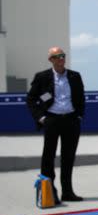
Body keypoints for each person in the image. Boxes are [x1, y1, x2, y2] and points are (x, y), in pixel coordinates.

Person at [25, 46, 86, 202]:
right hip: (51, 119)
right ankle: (49, 193)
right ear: (50, 60)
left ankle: (67, 192)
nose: (61, 58)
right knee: (48, 157)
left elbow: (81, 98)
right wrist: (41, 118)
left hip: (71, 120)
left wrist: (79, 116)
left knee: (68, 157)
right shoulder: (42, 77)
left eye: (62, 55)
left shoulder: (74, 76)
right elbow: (31, 99)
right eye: (57, 56)